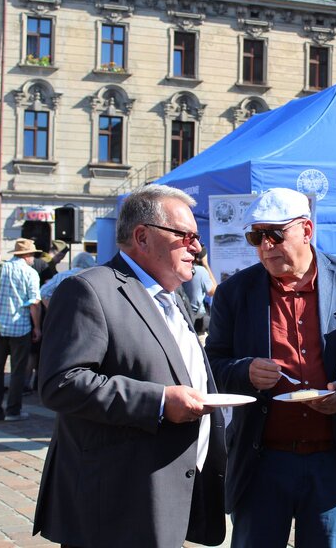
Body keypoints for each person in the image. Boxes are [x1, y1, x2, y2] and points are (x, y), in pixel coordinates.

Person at [33, 184, 226, 547]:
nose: (197, 248)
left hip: (166, 493)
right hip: (116, 505)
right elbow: (62, 383)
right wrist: (158, 401)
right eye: (185, 236)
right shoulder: (89, 290)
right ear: (142, 237)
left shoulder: (173, 298)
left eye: (196, 238)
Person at [205, 187, 336, 548]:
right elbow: (212, 364)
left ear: (306, 230)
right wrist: (245, 371)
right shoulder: (235, 292)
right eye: (256, 236)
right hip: (262, 460)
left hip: (332, 459)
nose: (265, 245)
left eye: (275, 234)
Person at [0, 238, 42, 422]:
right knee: (17, 371)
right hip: (20, 328)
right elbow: (34, 304)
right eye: (32, 255)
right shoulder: (30, 273)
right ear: (27, 255)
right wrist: (37, 327)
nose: (33, 259)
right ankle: (13, 410)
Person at [181, 246, 217, 334]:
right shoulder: (200, 271)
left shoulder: (182, 269)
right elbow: (214, 292)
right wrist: (205, 264)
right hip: (198, 321)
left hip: (183, 317)